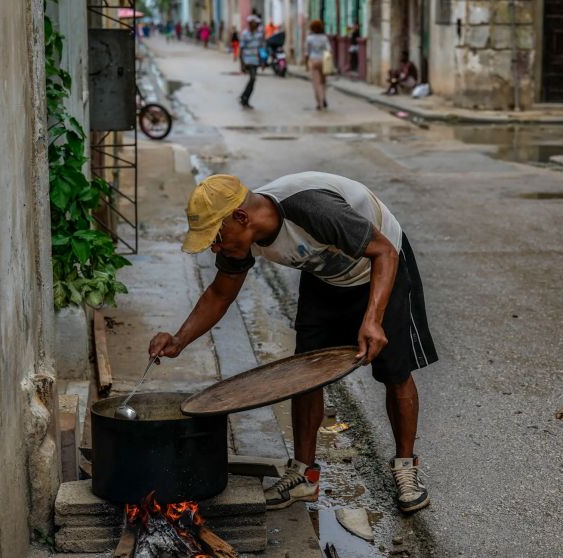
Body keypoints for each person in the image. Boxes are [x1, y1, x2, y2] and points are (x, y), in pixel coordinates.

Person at [148, 173, 438, 514]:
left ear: (241, 218)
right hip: (325, 276)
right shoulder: (243, 237)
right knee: (304, 372)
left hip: (379, 268)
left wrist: (372, 318)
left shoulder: (311, 208)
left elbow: (384, 252)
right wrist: (179, 339)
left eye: (216, 236)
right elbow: (220, 292)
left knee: (395, 371)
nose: (215, 247)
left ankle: (406, 467)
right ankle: (304, 475)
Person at [239, 15, 264, 109]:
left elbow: (261, 49)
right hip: (247, 60)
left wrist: (262, 61)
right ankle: (244, 97)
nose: (256, 25)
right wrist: (241, 64)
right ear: (250, 24)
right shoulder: (245, 34)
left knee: (253, 80)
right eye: (254, 24)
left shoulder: (259, 35)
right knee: (253, 78)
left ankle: (244, 97)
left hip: (255, 60)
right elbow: (241, 50)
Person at [305, 20, 331, 110]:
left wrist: (306, 64)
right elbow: (329, 49)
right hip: (323, 60)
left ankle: (319, 103)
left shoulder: (309, 38)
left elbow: (307, 52)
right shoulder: (324, 38)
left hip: (314, 61)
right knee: (323, 82)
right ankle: (323, 97)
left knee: (316, 83)